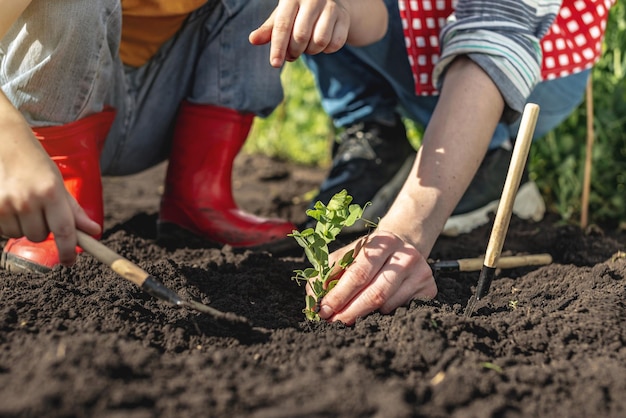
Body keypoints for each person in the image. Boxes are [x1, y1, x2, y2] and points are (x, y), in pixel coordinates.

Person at [0, 0, 388, 274]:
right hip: (38, 134)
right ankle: (60, 210)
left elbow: (375, 22)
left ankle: (200, 198)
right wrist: (17, 151)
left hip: (160, 114)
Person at [300, 0, 615, 324]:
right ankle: (379, 139)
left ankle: (486, 157)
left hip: (536, 55)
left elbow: (498, 34)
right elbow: (375, 17)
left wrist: (407, 229)